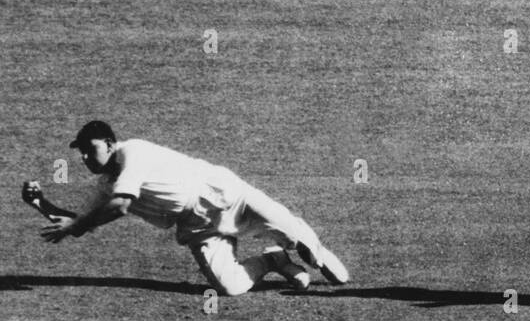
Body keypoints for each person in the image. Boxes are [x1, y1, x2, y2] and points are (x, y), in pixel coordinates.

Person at [33, 121, 349, 296]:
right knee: (230, 287)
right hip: (195, 227)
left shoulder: (133, 153)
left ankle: (318, 255)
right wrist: (40, 204)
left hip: (220, 193)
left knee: (296, 236)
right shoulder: (105, 187)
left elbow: (120, 206)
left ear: (110, 143)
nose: (87, 159)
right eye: (83, 155)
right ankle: (273, 259)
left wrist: (74, 226)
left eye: (91, 150)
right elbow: (82, 222)